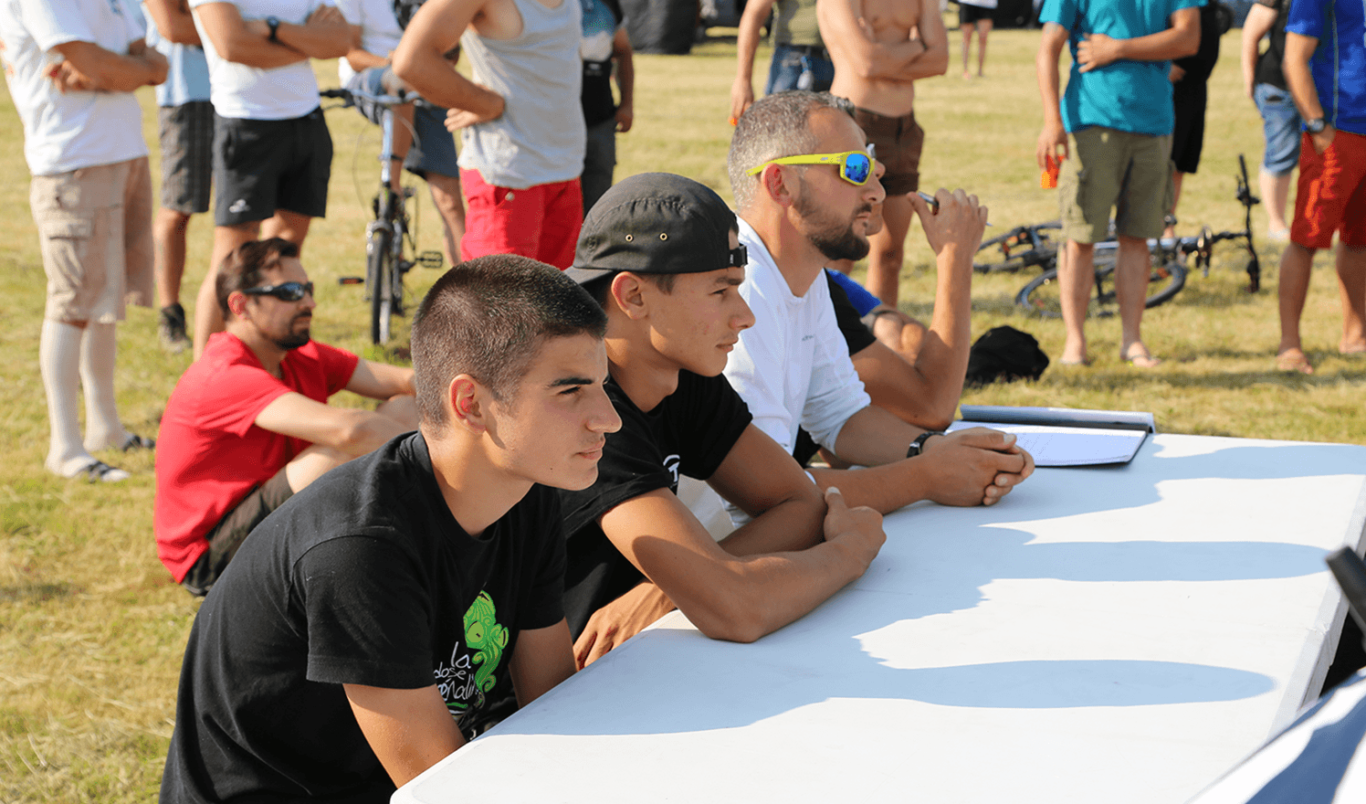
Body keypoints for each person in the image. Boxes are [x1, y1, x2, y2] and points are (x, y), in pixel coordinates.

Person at [160, 255, 618, 802]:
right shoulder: (361, 547)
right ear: (469, 403)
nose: (608, 418)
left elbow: (553, 704)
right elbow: (446, 791)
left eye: (602, 384)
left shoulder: (530, 493)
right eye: (570, 391)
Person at [554, 172, 885, 668]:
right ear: (634, 297)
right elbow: (737, 611)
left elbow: (800, 502)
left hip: (638, 669)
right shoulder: (581, 406)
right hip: (532, 711)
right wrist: (849, 551)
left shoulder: (677, 374)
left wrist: (675, 587)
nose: (744, 316)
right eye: (721, 291)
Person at [725, 90, 1033, 518]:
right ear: (780, 183)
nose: (876, 192)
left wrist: (937, 448)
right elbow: (761, 493)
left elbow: (842, 418)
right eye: (854, 169)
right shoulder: (740, 290)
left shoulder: (802, 278)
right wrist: (929, 474)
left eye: (874, 167)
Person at [155, 239, 419, 595]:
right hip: (212, 555)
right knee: (339, 453)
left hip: (273, 512)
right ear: (241, 305)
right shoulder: (223, 373)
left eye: (307, 289)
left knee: (405, 406)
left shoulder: (294, 354)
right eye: (291, 292)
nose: (309, 302)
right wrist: (446, 458)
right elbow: (350, 432)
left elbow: (407, 383)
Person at [1, 0, 167, 483]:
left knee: (104, 299)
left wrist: (115, 72)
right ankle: (65, 447)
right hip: (72, 161)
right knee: (72, 303)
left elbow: (156, 62)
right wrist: (116, 70)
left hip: (121, 154)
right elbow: (97, 61)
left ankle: (105, 428)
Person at [1035, 0, 1200, 367]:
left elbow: (1189, 38)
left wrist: (1118, 48)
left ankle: (1132, 340)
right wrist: (1051, 121)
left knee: (1137, 237)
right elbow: (1048, 48)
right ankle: (1075, 343)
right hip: (1092, 122)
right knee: (1080, 237)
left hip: (1154, 124)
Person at [187, 0, 350, 359]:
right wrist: (307, 41)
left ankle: (270, 359)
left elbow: (341, 41)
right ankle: (203, 378)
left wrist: (272, 30)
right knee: (230, 259)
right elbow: (233, 46)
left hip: (306, 121)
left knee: (285, 252)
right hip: (245, 123)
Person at [393, 0, 585, 269]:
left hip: (565, 171)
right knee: (498, 307)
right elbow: (412, 61)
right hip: (508, 178)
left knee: (557, 307)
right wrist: (485, 103)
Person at [818, 0, 948, 306]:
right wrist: (917, 46)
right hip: (855, 123)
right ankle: (831, 338)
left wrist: (883, 56)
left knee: (890, 253)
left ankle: (883, 337)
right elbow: (867, 64)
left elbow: (940, 61)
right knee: (843, 250)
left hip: (904, 128)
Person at [336, 0, 467, 265]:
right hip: (372, 78)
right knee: (401, 81)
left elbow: (452, 54)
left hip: (423, 81)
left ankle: (469, 286)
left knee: (450, 200)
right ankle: (391, 187)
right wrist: (398, 62)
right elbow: (352, 54)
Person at [1274, 0, 1366, 374]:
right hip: (1336, 130)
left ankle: (1356, 336)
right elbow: (1294, 57)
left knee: (1360, 239)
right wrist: (1317, 124)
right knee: (1308, 237)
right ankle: (1289, 345)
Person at [143, 0, 211, 353]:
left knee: (247, 216)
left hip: (244, 93)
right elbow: (174, 27)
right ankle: (170, 313)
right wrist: (236, 29)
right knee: (178, 209)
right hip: (188, 95)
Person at [1241, 0, 1300, 242]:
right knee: (1281, 153)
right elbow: (1250, 35)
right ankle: (1277, 223)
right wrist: (1250, 81)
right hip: (1278, 86)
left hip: (1319, 88)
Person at [1164, 0, 1224, 240]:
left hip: (1194, 89)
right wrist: (1159, 65)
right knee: (1162, 162)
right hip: (1168, 90)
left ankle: (1167, 220)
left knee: (1179, 164)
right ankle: (1158, 228)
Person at [730, 0, 834, 123]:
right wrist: (743, 79)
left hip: (839, 60)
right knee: (782, 131)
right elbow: (754, 13)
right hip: (795, 62)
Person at [578, 0, 634, 215]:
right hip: (556, 126)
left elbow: (623, 51)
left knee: (598, 209)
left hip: (600, 120)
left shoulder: (608, 3)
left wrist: (627, 103)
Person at [958, 0, 995, 79]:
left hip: (987, 4)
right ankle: (965, 70)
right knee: (967, 36)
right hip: (967, 2)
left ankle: (980, 71)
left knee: (983, 37)